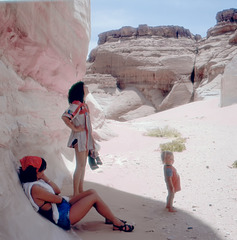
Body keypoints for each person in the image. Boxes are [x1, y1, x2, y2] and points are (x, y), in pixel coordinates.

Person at [18, 156, 134, 232]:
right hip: (63, 216)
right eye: (42, 171)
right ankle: (116, 223)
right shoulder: (35, 188)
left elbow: (57, 191)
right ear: (35, 171)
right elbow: (58, 199)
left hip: (62, 206)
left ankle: (109, 218)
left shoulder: (35, 181)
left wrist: (45, 178)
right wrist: (66, 199)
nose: (44, 173)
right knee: (93, 197)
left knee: (92, 191)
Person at [62, 81, 96, 195]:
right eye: (85, 87)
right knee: (80, 166)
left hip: (86, 139)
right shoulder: (77, 105)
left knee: (83, 166)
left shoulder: (83, 105)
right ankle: (76, 193)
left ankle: (80, 190)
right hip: (80, 139)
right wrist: (75, 128)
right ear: (80, 90)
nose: (87, 87)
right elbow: (65, 117)